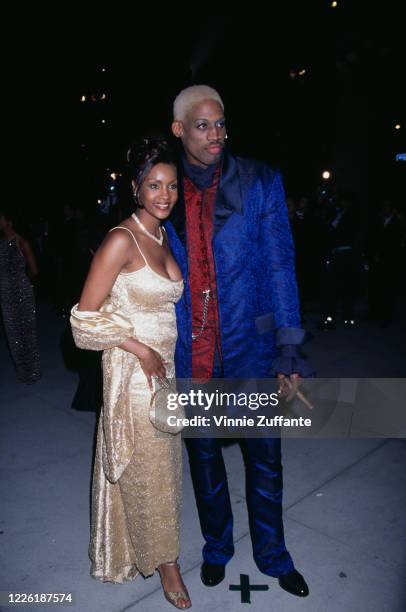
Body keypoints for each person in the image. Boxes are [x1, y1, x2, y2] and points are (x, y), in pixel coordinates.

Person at [165, 85, 312, 598]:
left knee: (264, 459)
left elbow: (279, 267)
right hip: (194, 352)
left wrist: (288, 349)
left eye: (221, 123)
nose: (216, 135)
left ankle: (273, 556)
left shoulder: (261, 180)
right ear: (180, 130)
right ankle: (217, 548)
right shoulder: (165, 189)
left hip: (250, 348)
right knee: (205, 462)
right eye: (202, 126)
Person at [70, 136, 191, 609]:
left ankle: (134, 548)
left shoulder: (163, 234)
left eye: (173, 186)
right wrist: (139, 350)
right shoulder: (121, 238)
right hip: (134, 373)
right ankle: (168, 565)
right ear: (135, 188)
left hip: (166, 371)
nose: (165, 195)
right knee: (151, 469)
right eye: (154, 185)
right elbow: (83, 317)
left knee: (161, 470)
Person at [0, 207, 41, 383]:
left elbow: (34, 270)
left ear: (9, 221)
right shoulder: (1, 243)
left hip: (22, 292)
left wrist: (20, 283)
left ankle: (33, 371)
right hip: (5, 292)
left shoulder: (22, 243)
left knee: (27, 332)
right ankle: (22, 372)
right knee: (13, 334)